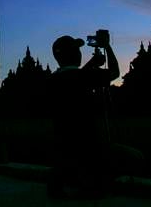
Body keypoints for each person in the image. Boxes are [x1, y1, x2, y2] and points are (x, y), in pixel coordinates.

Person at [47, 30, 142, 199]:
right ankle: (93, 185)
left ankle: (64, 181)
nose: (79, 53)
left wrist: (91, 63)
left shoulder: (53, 81)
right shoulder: (81, 77)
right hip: (87, 148)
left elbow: (75, 79)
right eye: (77, 50)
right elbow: (114, 72)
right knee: (134, 157)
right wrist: (107, 47)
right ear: (73, 54)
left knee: (70, 155)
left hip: (64, 149)